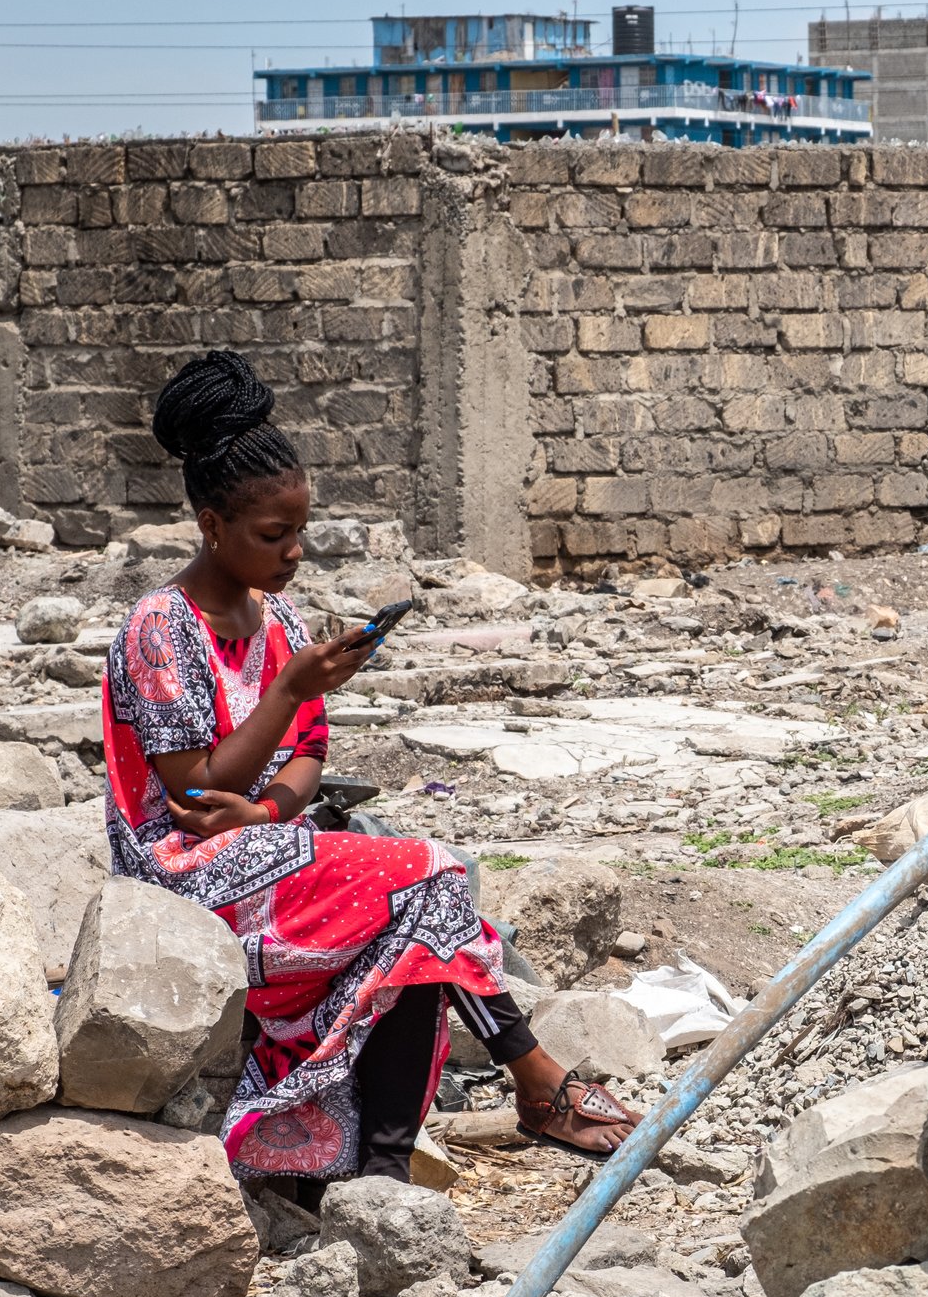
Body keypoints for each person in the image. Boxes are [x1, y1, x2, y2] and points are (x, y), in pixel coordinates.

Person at [101, 350, 640, 1188]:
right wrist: (284, 692)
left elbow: (309, 752)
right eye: (273, 537)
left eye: (299, 534)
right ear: (212, 526)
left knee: (416, 912)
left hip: (253, 843)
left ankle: (380, 1183)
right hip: (178, 867)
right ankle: (528, 1084)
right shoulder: (159, 627)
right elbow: (195, 790)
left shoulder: (275, 612)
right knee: (427, 874)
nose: (294, 554)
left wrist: (273, 811)